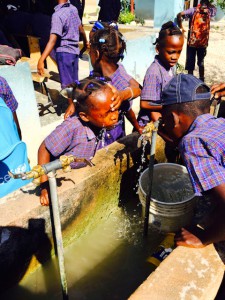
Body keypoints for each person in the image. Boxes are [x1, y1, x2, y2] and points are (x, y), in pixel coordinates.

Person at [159, 73, 225, 248]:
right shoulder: (219, 124)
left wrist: (204, 238)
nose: (163, 126)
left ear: (174, 119)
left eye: (164, 120)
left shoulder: (193, 142)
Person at [38, 77, 119, 206]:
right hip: (62, 175)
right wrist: (44, 185)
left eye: (115, 109)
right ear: (84, 116)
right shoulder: (72, 127)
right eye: (107, 113)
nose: (114, 116)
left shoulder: (96, 120)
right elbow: (44, 149)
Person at [65, 25, 142, 137]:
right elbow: (74, 88)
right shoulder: (108, 71)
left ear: (96, 54)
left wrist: (123, 95)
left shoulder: (116, 83)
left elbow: (134, 95)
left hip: (110, 135)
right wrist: (73, 103)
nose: (89, 55)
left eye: (89, 51)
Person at [37, 0, 88, 109]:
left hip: (64, 53)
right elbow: (81, 30)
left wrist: (41, 59)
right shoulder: (73, 9)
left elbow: (52, 40)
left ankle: (72, 108)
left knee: (67, 85)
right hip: (74, 51)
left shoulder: (57, 15)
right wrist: (85, 43)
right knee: (75, 82)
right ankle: (78, 106)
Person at [137, 21, 184, 127]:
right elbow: (145, 103)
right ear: (158, 49)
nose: (175, 57)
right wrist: (170, 105)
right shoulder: (154, 72)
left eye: (178, 52)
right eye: (171, 52)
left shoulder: (170, 67)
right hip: (148, 126)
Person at [177, 0, 216, 82]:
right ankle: (202, 80)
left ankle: (190, 82)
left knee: (190, 62)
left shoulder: (193, 10)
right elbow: (214, 9)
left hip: (192, 42)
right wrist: (209, 4)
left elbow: (179, 14)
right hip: (203, 42)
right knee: (201, 62)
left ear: (199, 3)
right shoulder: (210, 11)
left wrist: (181, 27)